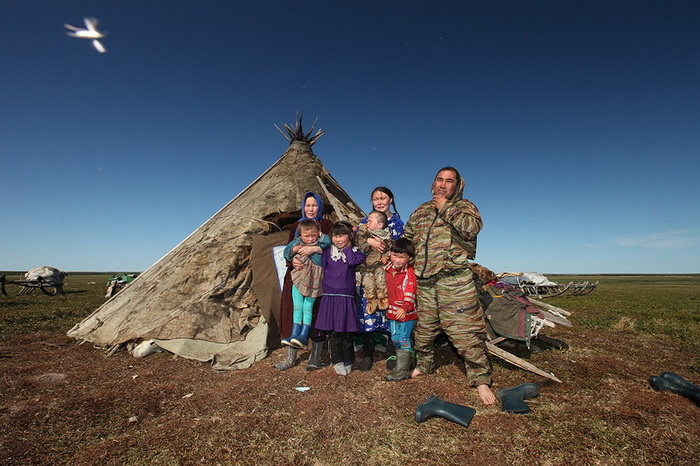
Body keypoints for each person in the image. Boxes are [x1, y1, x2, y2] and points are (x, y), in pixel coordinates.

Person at [403, 167, 496, 406]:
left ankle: (480, 378)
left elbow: (472, 228)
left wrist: (445, 206)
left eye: (449, 181)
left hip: (454, 280)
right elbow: (408, 237)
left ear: (457, 186)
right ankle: (424, 365)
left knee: (464, 331)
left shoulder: (465, 207)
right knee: (424, 328)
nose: (442, 185)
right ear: (433, 183)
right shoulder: (421, 211)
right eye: (439, 180)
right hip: (425, 281)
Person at [275, 192, 334, 372]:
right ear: (303, 207)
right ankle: (290, 357)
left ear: (319, 207)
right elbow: (289, 247)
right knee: (291, 310)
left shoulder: (326, 224)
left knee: (315, 312)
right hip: (297, 274)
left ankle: (315, 357)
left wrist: (314, 248)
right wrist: (292, 260)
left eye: (314, 205)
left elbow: (333, 247)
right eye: (307, 205)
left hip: (317, 275)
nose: (310, 209)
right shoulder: (296, 226)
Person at [356, 187, 404, 371]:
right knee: (367, 310)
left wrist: (389, 255)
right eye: (376, 199)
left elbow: (401, 246)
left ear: (391, 199)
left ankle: (392, 351)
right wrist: (369, 242)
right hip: (368, 272)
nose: (379, 201)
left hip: (389, 274)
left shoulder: (397, 223)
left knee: (391, 312)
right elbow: (355, 241)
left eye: (383, 198)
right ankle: (368, 353)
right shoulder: (365, 222)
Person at [314, 221, 366, 376]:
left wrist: (349, 247)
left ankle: (349, 360)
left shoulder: (356, 252)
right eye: (335, 236)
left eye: (342, 235)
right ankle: (337, 360)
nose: (338, 239)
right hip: (330, 296)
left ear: (350, 235)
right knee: (334, 332)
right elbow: (321, 267)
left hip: (346, 297)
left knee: (346, 331)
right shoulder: (328, 252)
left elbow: (352, 262)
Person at [281, 219, 330, 348]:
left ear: (318, 233)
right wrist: (294, 250)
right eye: (306, 236)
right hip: (299, 278)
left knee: (308, 307)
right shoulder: (297, 242)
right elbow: (286, 252)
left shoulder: (320, 244)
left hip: (313, 280)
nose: (309, 239)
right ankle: (294, 334)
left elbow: (328, 241)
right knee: (297, 306)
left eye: (313, 235)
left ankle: (303, 335)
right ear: (300, 235)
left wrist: (316, 243)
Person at [384, 238, 417, 382]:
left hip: (406, 313)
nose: (397, 260)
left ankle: (403, 370)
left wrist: (405, 307)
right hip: (392, 311)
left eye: (401, 257)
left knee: (404, 338)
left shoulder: (409, 273)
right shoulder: (387, 268)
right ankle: (402, 362)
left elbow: (410, 291)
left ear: (409, 258)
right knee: (394, 338)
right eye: (394, 255)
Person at [355, 210, 392, 314]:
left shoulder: (386, 236)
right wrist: (368, 242)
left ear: (379, 225)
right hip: (366, 266)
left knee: (381, 282)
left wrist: (386, 256)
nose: (367, 223)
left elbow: (390, 248)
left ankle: (382, 298)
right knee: (368, 284)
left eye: (370, 221)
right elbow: (358, 239)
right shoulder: (365, 234)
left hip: (379, 265)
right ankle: (371, 301)